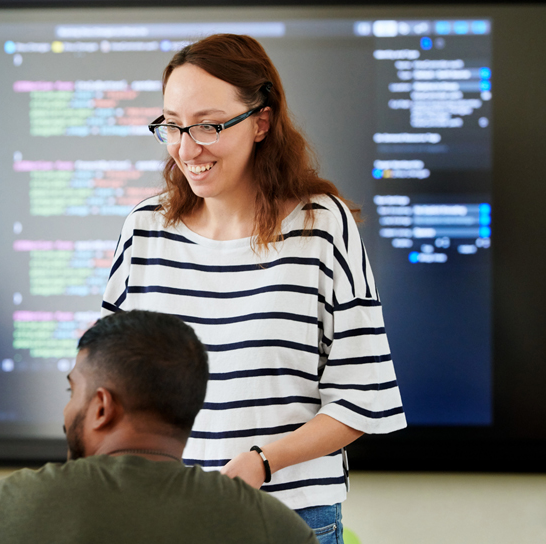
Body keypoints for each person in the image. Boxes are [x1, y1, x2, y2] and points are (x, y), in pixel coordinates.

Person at [102, 34, 407, 543]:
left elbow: (363, 400)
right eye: (173, 126)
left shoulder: (320, 227)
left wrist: (262, 462)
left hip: (289, 518)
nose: (186, 147)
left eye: (208, 125)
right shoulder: (144, 228)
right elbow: (111, 391)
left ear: (261, 121)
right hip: (165, 516)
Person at [0, 310, 318, 544]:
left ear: (102, 407)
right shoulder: (275, 527)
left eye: (71, 391)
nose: (67, 406)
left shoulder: (15, 505)